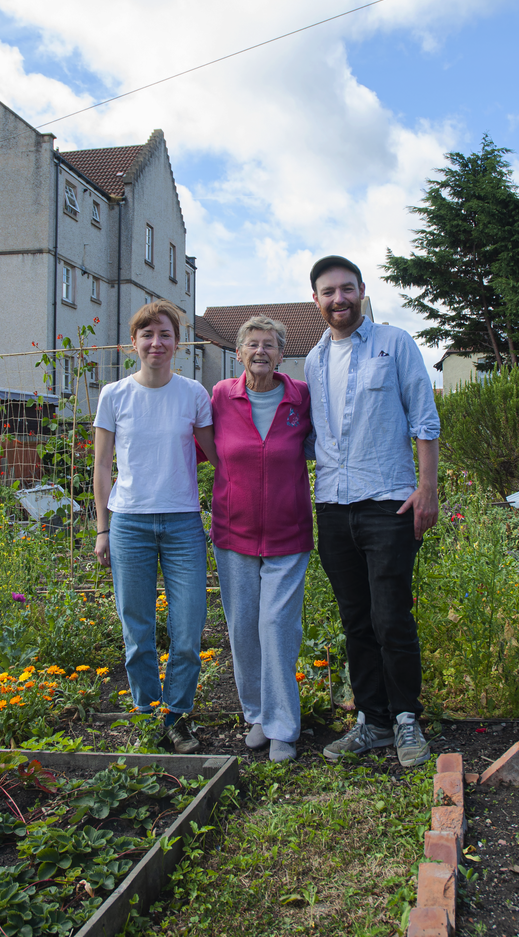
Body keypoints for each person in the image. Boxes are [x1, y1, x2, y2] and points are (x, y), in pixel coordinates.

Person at [304, 256, 440, 767]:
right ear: (314, 300)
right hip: (334, 508)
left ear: (362, 290)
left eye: (346, 289)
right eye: (327, 292)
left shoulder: (395, 344)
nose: (338, 299)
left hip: (389, 502)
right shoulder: (314, 361)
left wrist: (426, 488)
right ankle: (372, 720)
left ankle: (406, 718)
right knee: (355, 619)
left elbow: (424, 417)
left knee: (392, 617)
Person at [93, 300, 218, 754]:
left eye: (164, 334)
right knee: (137, 629)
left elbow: (220, 459)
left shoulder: (193, 395)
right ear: (134, 343)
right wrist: (103, 529)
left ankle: (177, 717)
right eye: (147, 335)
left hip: (183, 524)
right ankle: (149, 715)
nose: (156, 343)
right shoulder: (115, 395)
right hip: (129, 525)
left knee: (187, 631)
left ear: (177, 343)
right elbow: (102, 468)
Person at [209, 316, 313, 762]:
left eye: (269, 345)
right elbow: (195, 445)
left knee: (277, 627)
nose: (260, 352)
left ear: (282, 354)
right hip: (234, 532)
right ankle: (256, 715)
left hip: (289, 532)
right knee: (244, 628)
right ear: (239, 354)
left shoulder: (301, 397)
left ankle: (284, 727)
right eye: (252, 344)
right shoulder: (220, 397)